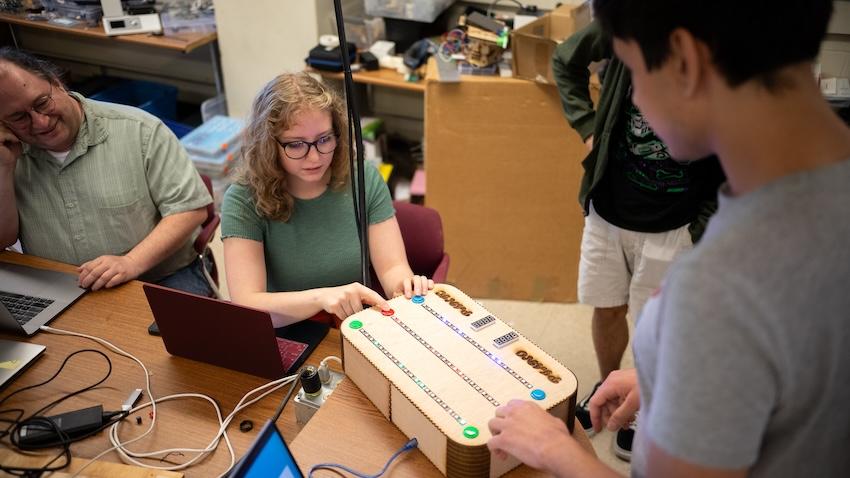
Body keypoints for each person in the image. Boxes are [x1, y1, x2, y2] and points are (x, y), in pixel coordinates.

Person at [489, 0, 850, 476]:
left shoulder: (716, 294)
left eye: (634, 70)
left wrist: (560, 450)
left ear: (683, 60)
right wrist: (673, 377)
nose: (634, 97)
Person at [551, 19, 726, 459]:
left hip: (675, 223)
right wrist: (589, 127)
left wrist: (701, 225)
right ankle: (610, 387)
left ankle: (649, 402)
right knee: (607, 306)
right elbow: (564, 60)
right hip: (609, 211)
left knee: (659, 326)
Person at [221, 72, 432, 326]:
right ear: (269, 144)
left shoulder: (362, 177)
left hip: (354, 327)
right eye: (296, 145)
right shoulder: (243, 198)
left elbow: (391, 269)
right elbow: (247, 304)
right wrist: (322, 298)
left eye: (324, 139)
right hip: (286, 332)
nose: (315, 157)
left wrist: (405, 287)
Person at [0, 48, 213, 295]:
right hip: (58, 284)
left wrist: (130, 263)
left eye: (42, 103)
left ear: (57, 83)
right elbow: (3, 241)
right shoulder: (9, 151)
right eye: (19, 117)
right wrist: (4, 169)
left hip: (158, 277)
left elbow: (189, 210)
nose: (40, 122)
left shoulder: (140, 130)